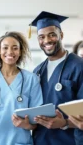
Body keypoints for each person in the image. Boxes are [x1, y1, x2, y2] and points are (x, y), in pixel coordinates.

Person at [0, 31, 43, 145]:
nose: (10, 52)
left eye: (15, 48)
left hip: (19, 141)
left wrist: (26, 125)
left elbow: (37, 120)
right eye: (5, 48)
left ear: (20, 51)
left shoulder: (31, 79)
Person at [29, 11, 83, 145]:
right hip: (40, 140)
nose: (46, 40)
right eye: (41, 37)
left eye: (52, 35)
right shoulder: (37, 71)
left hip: (69, 140)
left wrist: (64, 123)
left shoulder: (79, 66)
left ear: (61, 35)